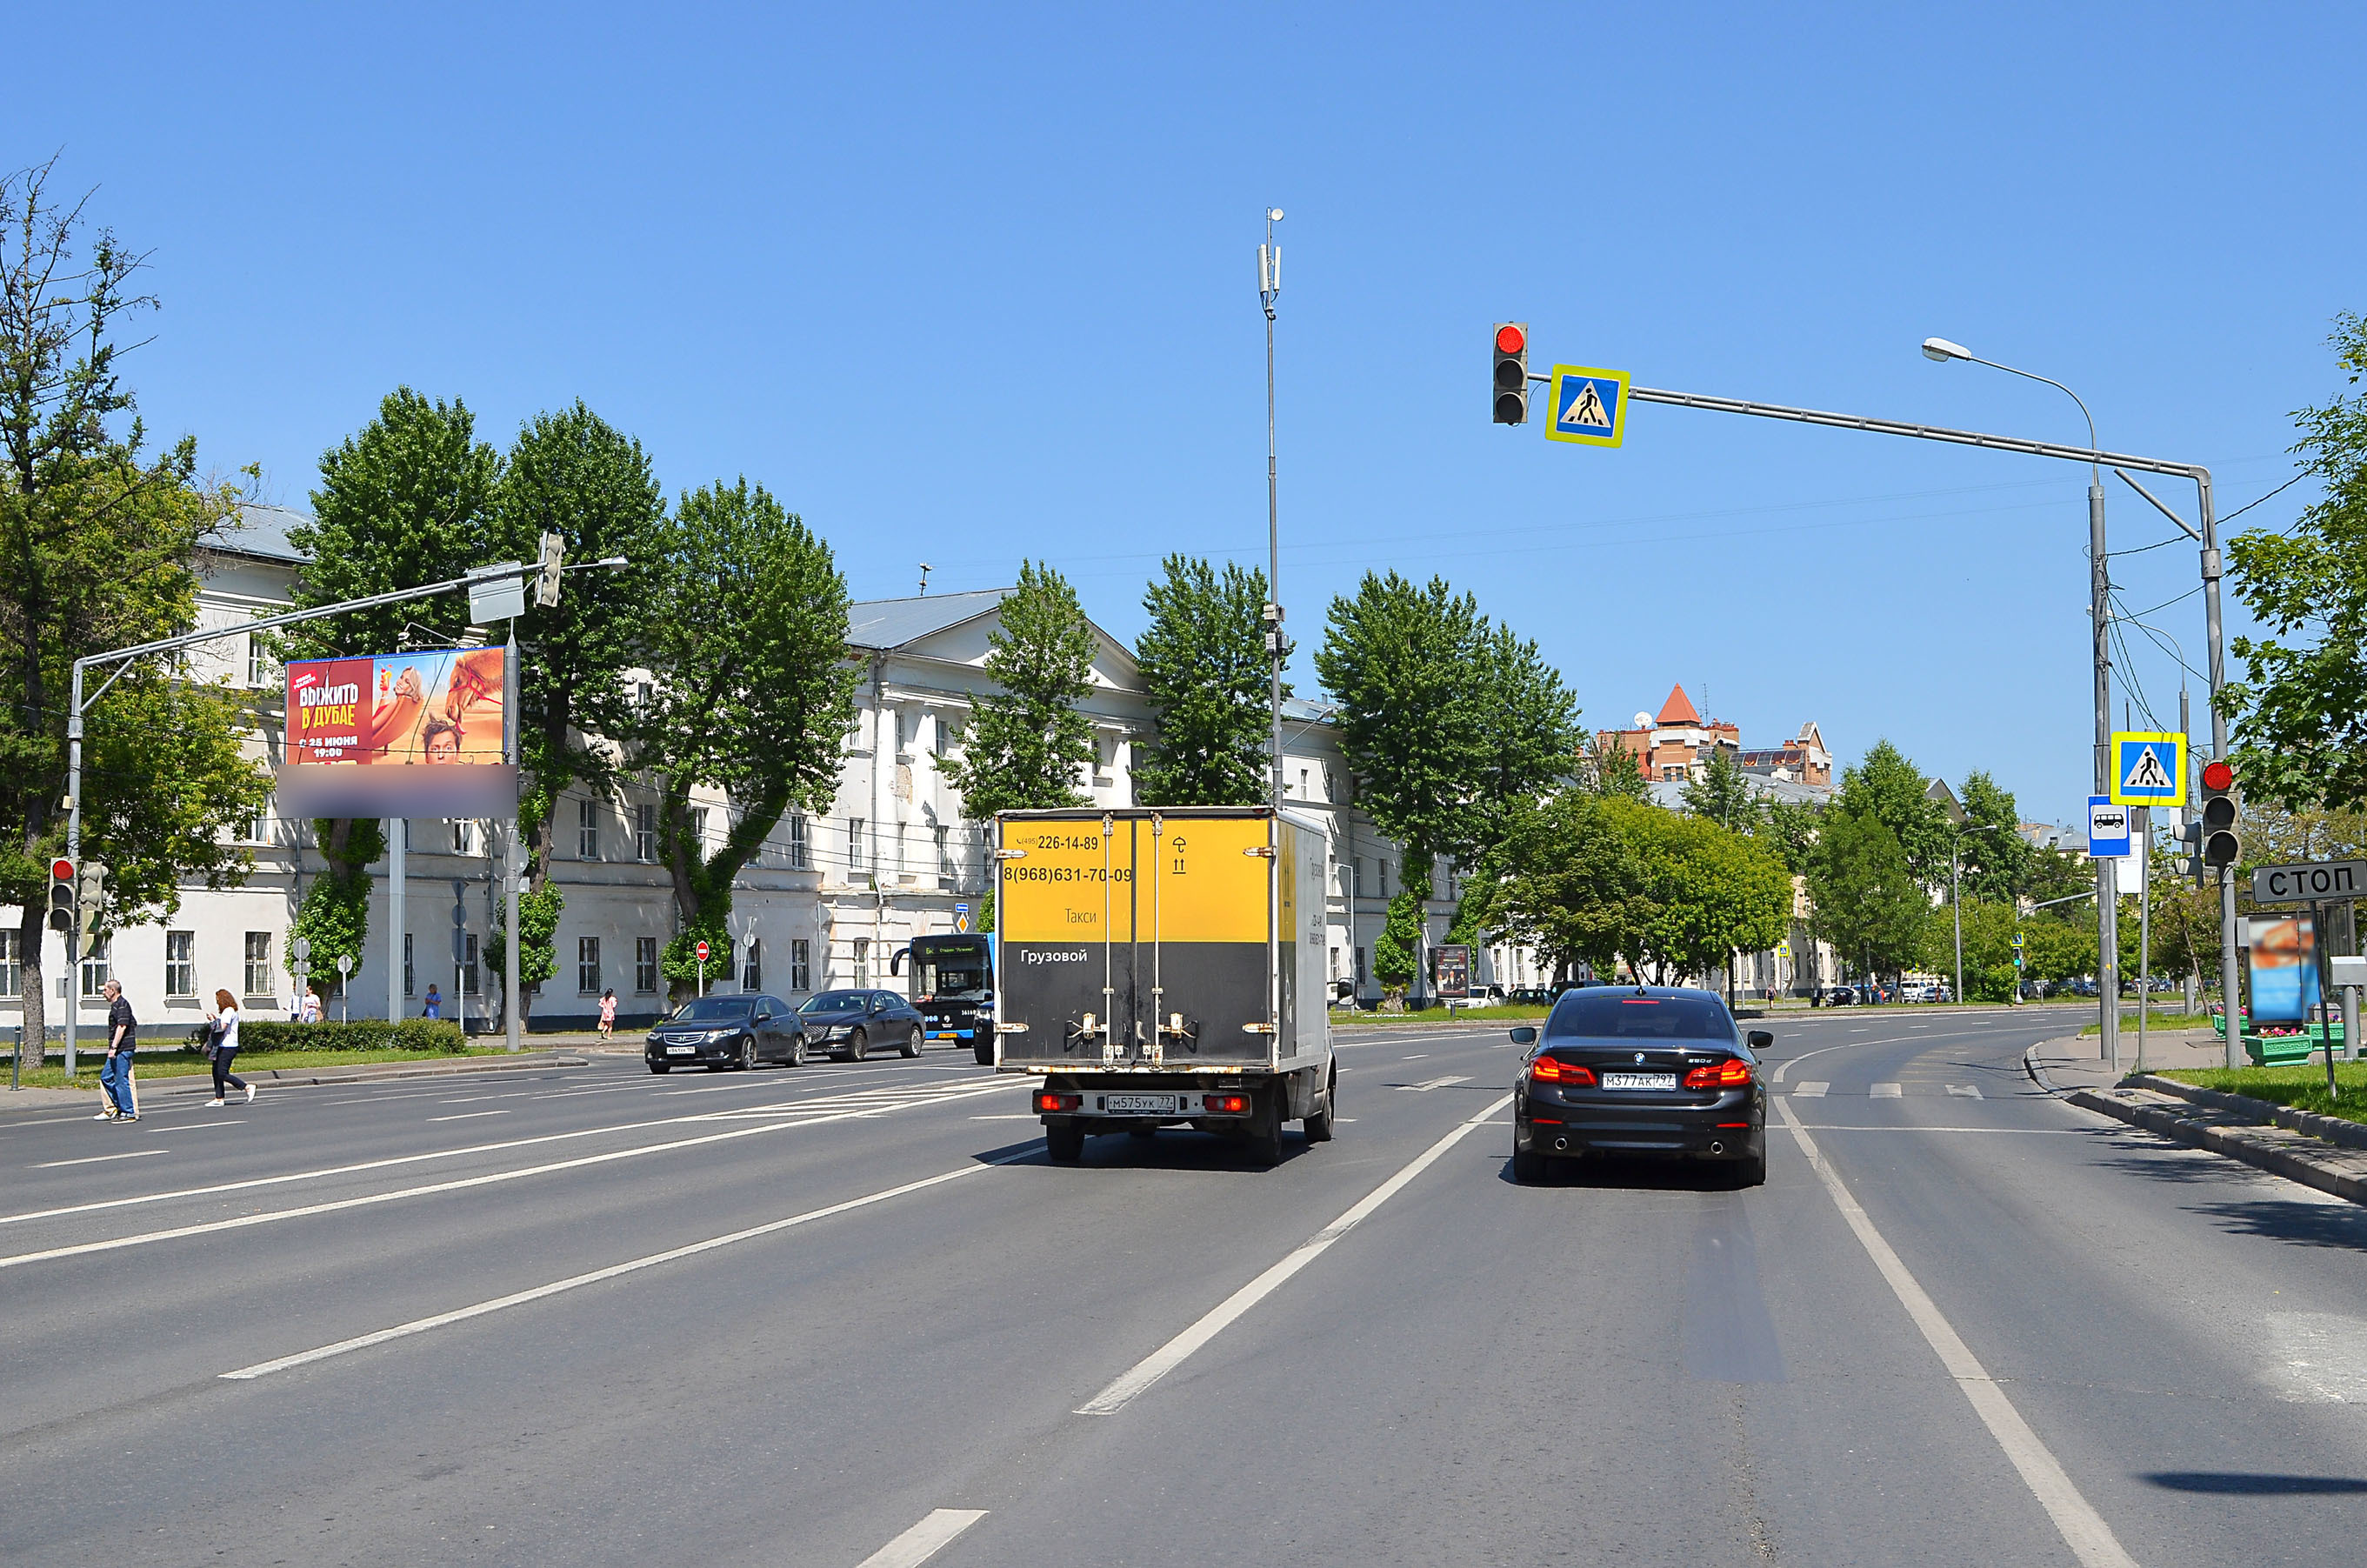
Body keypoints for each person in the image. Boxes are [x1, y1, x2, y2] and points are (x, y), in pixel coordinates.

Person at [96, 978, 138, 1122]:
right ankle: (119, 1105)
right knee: (106, 1077)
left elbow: (122, 1026)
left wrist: (113, 1048)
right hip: (118, 1050)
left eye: (105, 990)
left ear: (113, 991)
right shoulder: (116, 1006)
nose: (103, 993)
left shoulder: (122, 1005)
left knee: (121, 1080)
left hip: (122, 1049)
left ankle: (128, 1111)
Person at [204, 989, 254, 1106]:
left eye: (218, 1000)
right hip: (224, 1045)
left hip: (227, 1046)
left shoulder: (228, 1011)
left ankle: (246, 1087)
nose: (217, 1003)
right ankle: (219, 1098)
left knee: (222, 1072)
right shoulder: (230, 1011)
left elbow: (221, 1027)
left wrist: (212, 1021)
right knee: (216, 1072)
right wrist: (216, 1019)